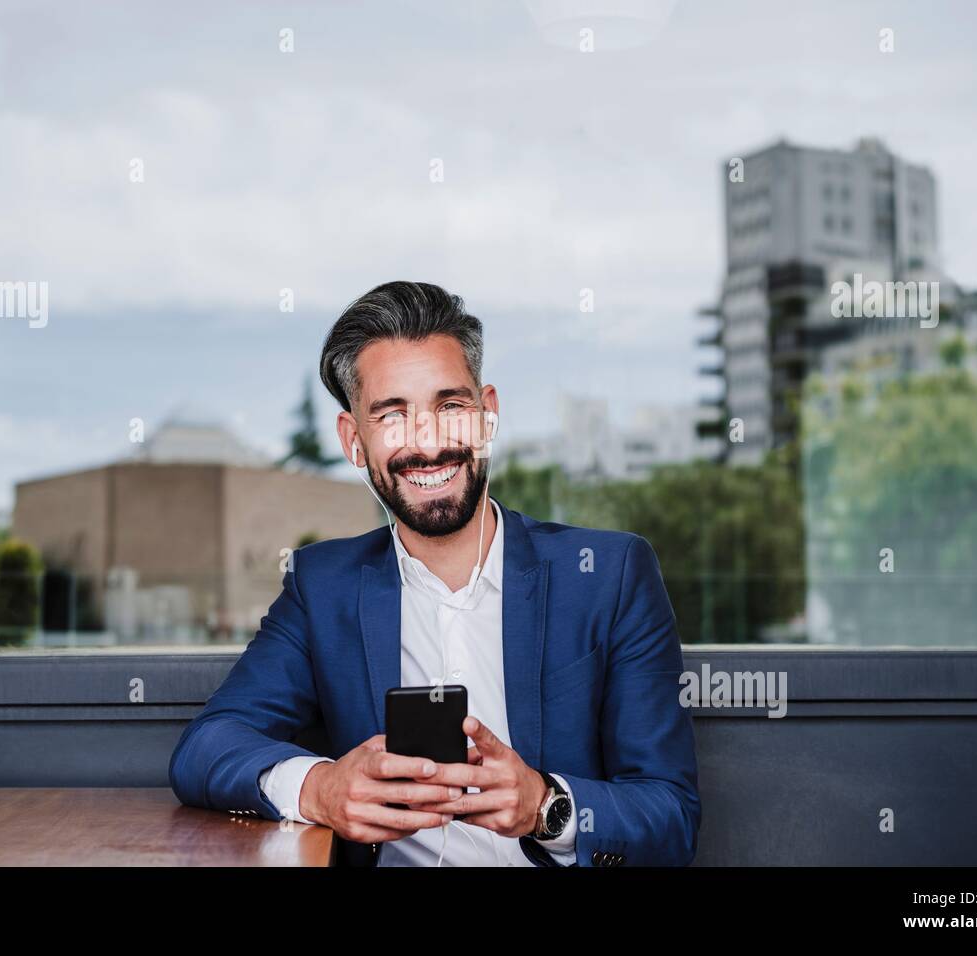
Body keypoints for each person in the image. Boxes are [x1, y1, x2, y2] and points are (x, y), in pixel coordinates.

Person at [169, 280, 700, 867]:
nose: (428, 443)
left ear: (488, 415)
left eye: (450, 406)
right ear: (354, 441)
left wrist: (545, 806)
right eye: (392, 415)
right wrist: (321, 789)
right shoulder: (323, 588)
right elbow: (206, 748)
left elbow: (670, 816)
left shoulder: (609, 575)